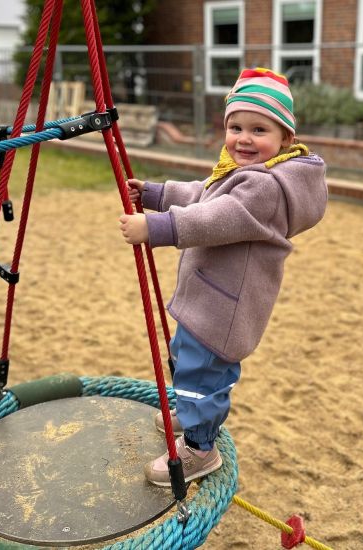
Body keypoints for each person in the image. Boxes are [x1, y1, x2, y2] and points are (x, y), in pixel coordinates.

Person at [119, 67, 328, 486]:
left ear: (285, 139)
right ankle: (190, 415)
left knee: (203, 375)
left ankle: (200, 450)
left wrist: (158, 227)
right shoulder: (243, 172)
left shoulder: (267, 188)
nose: (244, 139)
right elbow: (204, 193)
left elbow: (219, 216)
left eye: (259, 130)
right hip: (208, 297)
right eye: (236, 128)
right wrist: (157, 193)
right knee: (187, 360)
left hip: (224, 307)